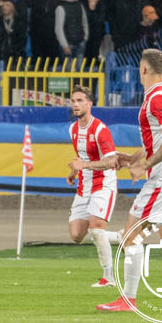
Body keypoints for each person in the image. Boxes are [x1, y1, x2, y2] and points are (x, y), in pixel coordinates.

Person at [96, 48, 162, 312]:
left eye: (139, 67)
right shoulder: (156, 97)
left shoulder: (157, 99)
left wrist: (145, 165)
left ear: (144, 69)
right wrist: (134, 158)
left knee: (130, 237)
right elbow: (157, 141)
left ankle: (128, 299)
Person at [61, 86, 120, 289]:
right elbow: (82, 158)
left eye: (79, 101)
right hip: (84, 186)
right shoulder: (73, 129)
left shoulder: (100, 129)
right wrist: (74, 172)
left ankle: (108, 278)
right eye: (73, 101)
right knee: (77, 235)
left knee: (96, 228)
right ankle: (121, 237)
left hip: (103, 184)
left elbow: (111, 161)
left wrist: (84, 165)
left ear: (89, 104)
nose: (75, 104)